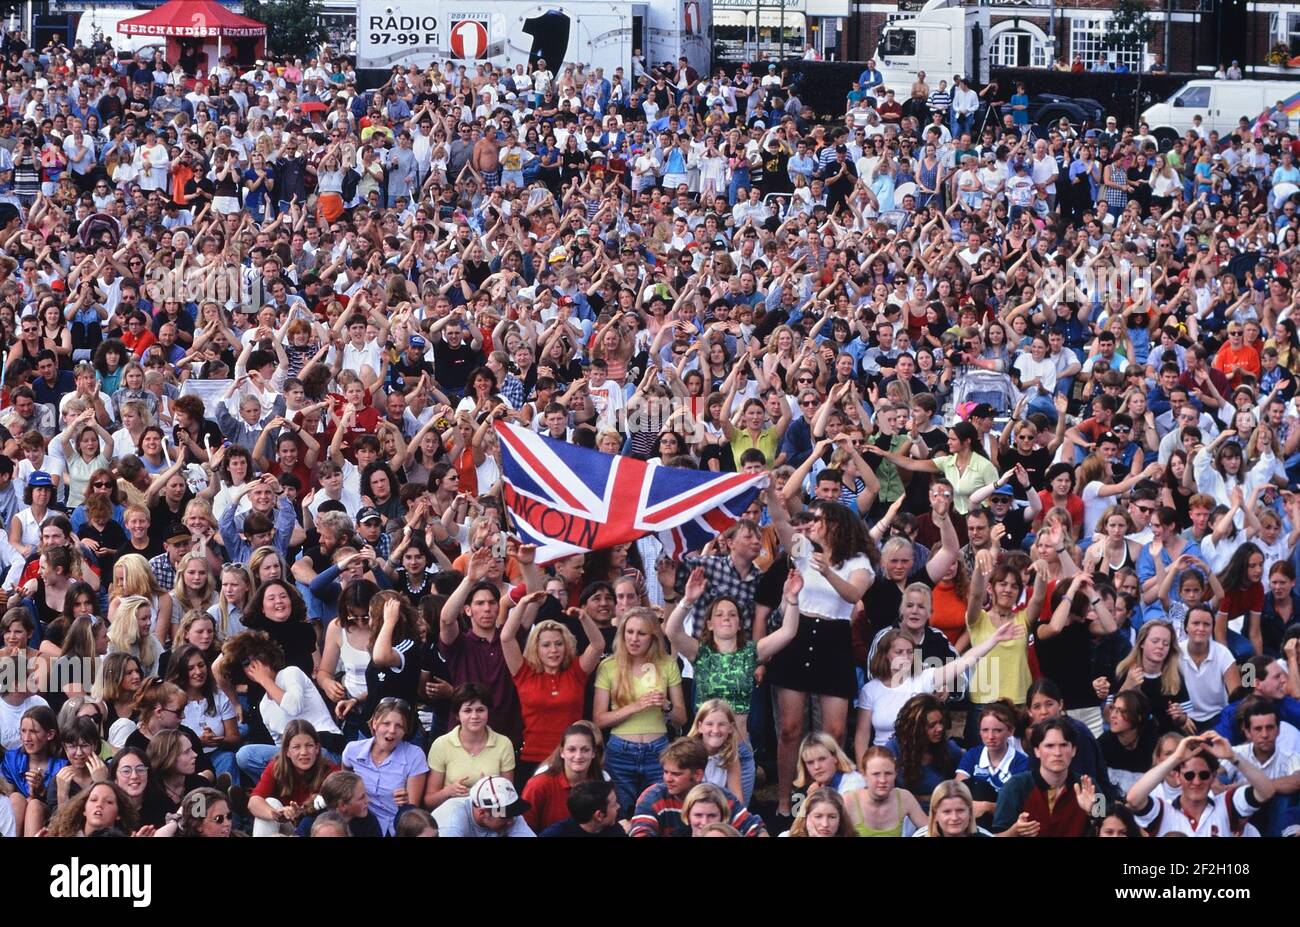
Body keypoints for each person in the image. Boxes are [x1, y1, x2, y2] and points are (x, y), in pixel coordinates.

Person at [593, 607, 686, 817]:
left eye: (641, 633)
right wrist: (636, 706)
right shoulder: (608, 666)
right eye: (629, 632)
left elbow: (682, 718)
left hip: (658, 749)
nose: (634, 639)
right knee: (621, 813)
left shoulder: (667, 664)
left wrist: (667, 706)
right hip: (620, 751)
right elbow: (598, 719)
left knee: (659, 812)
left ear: (652, 637)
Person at [1126, 732, 1275, 836]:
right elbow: (1133, 798)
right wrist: (1176, 758)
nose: (1196, 782)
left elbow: (1266, 791)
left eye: (1204, 775)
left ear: (1213, 776)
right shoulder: (1162, 811)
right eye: (1189, 775)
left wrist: (1232, 756)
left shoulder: (1228, 804)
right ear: (1178, 777)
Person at [628, 738, 766, 837]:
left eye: (676, 774)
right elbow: (640, 831)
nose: (667, 779)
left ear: (698, 774)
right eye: (665, 772)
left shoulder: (718, 796)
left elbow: (755, 830)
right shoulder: (654, 797)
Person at [341, 698, 428, 835]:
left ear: (405, 730)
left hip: (395, 825)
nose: (392, 730)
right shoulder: (352, 750)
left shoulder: (415, 755)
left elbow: (412, 810)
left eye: (399, 726)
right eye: (386, 724)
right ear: (375, 723)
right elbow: (344, 787)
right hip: (361, 821)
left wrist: (405, 801)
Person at [432, 774, 535, 837]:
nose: (511, 821)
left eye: (512, 813)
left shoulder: (503, 812)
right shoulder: (452, 823)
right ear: (482, 812)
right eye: (505, 816)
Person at [538, 779, 626, 838]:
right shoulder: (556, 834)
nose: (618, 806)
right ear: (599, 815)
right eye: (614, 805)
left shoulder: (615, 831)